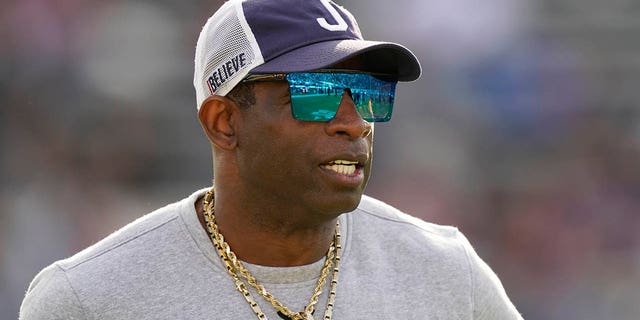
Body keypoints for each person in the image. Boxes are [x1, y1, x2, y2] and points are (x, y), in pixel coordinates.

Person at [20, 0, 523, 319]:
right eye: (317, 93)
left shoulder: (444, 271)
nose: (355, 122)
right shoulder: (89, 299)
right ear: (224, 122)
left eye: (369, 93)